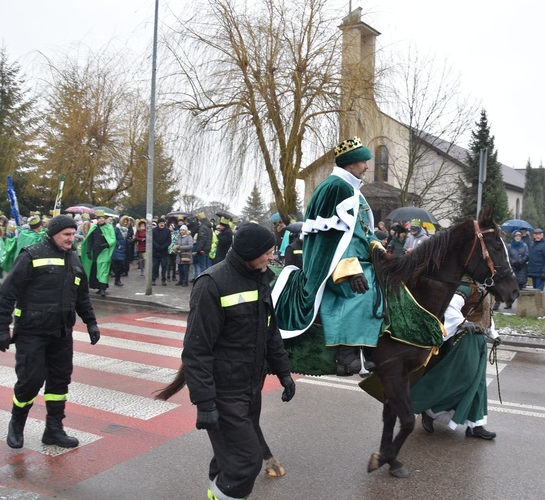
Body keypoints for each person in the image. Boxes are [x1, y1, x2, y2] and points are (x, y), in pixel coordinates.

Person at [181, 222, 295, 500]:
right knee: (246, 462)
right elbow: (196, 350)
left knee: (227, 460)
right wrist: (205, 402)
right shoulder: (211, 283)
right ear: (250, 252)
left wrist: (284, 373)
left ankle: (217, 492)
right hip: (223, 393)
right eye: (267, 252)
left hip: (249, 388)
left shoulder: (260, 277)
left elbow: (270, 332)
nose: (272, 257)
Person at [272, 137, 385, 376]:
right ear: (351, 164)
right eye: (364, 161)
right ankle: (345, 354)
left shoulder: (353, 190)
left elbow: (363, 231)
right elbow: (330, 239)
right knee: (361, 293)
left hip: (359, 259)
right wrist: (349, 268)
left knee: (384, 285)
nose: (366, 166)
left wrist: (377, 247)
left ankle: (372, 350)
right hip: (334, 264)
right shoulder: (335, 187)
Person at [0, 215, 101, 449]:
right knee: (30, 381)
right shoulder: (31, 254)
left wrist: (91, 322)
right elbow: (6, 294)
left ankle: (53, 430)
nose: (72, 239)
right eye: (67, 235)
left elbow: (81, 296)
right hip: (32, 332)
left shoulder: (73, 258)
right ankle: (17, 423)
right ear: (53, 234)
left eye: (74, 234)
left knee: (59, 383)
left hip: (61, 333)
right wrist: (1, 329)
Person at [412, 283, 500, 439]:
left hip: (479, 340)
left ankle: (475, 425)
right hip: (464, 339)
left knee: (478, 383)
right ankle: (426, 408)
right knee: (459, 378)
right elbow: (451, 306)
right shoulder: (468, 286)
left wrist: (493, 333)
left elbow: (487, 315)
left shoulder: (487, 290)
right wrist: (463, 323)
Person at [80, 211, 115, 297]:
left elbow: (113, 239)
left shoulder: (109, 228)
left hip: (104, 252)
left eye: (103, 218)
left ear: (105, 219)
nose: (101, 219)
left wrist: (107, 244)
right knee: (96, 269)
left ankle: (102, 288)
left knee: (103, 270)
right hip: (95, 252)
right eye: (99, 218)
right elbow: (89, 240)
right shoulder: (94, 228)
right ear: (97, 219)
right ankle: (98, 287)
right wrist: (88, 251)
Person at [494, 230, 528, 310]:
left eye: (519, 236)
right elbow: (507, 255)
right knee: (510, 287)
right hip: (512, 268)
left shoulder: (524, 246)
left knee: (520, 286)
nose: (518, 237)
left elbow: (526, 255)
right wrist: (513, 263)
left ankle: (522, 306)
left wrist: (520, 262)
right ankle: (509, 303)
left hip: (521, 268)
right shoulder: (509, 246)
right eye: (516, 236)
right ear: (513, 237)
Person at [151, 217, 171, 286]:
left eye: (163, 223)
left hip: (164, 252)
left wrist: (163, 247)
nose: (161, 224)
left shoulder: (167, 231)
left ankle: (163, 280)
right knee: (155, 266)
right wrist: (157, 246)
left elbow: (169, 241)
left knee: (164, 266)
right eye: (160, 223)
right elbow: (152, 239)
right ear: (158, 224)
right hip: (155, 251)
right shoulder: (154, 230)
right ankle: (153, 279)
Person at [194, 213, 213, 277]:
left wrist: (199, 249)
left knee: (202, 266)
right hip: (207, 248)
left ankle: (203, 280)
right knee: (207, 265)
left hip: (202, 249)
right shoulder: (209, 228)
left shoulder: (202, 228)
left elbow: (202, 239)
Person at [111, 219, 126, 287]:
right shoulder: (116, 229)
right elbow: (113, 237)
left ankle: (117, 279)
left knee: (121, 265)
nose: (125, 223)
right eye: (124, 221)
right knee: (118, 264)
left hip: (123, 249)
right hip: (117, 249)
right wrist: (118, 244)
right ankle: (117, 280)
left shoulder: (126, 230)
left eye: (126, 221)